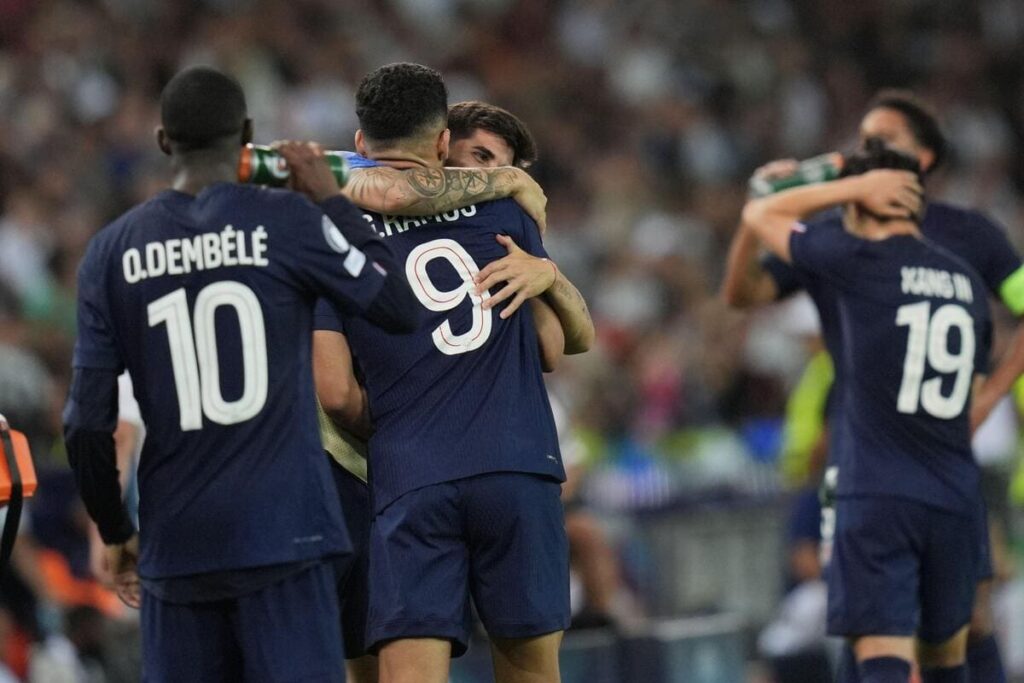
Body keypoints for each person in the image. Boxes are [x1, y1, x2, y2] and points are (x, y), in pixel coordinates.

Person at [62, 66, 419, 682]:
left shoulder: (112, 251)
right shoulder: (288, 222)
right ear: (248, 135)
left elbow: (85, 424)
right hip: (285, 534)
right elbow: (397, 307)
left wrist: (116, 529)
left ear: (163, 141)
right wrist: (332, 200)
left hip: (177, 547)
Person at [723, 90, 1013, 682]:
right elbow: (743, 291)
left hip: (875, 482)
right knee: (947, 655)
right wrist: (984, 397)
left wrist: (839, 186)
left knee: (878, 648)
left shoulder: (850, 256)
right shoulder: (964, 276)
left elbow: (760, 215)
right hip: (954, 487)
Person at [313, 62, 581, 683]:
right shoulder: (509, 212)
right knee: (533, 672)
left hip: (407, 475)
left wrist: (396, 425)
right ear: (442, 143)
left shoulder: (331, 226)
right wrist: (548, 272)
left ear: (360, 142)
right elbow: (550, 347)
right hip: (516, 461)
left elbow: (333, 388)